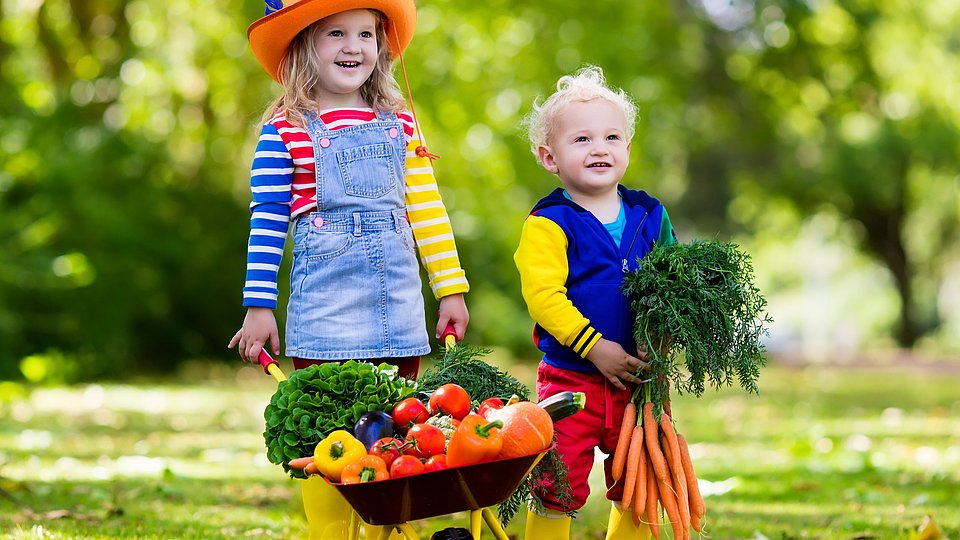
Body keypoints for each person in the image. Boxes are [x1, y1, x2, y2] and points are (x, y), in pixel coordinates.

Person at [228, 0, 469, 537]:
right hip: (325, 314)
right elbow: (266, 221)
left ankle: (392, 529)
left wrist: (449, 289)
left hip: (400, 311)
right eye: (335, 33)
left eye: (365, 33)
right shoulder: (284, 131)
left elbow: (427, 210)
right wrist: (259, 305)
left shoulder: (400, 124)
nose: (354, 46)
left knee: (397, 436)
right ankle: (330, 532)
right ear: (301, 46)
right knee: (325, 440)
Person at [514, 65, 677, 540]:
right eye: (581, 140)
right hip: (570, 380)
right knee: (556, 481)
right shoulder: (549, 222)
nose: (600, 147)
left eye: (611, 137)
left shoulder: (650, 214)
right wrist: (593, 346)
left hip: (639, 380)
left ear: (627, 147)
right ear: (550, 157)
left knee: (641, 478)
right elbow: (545, 297)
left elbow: (672, 285)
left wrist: (662, 340)